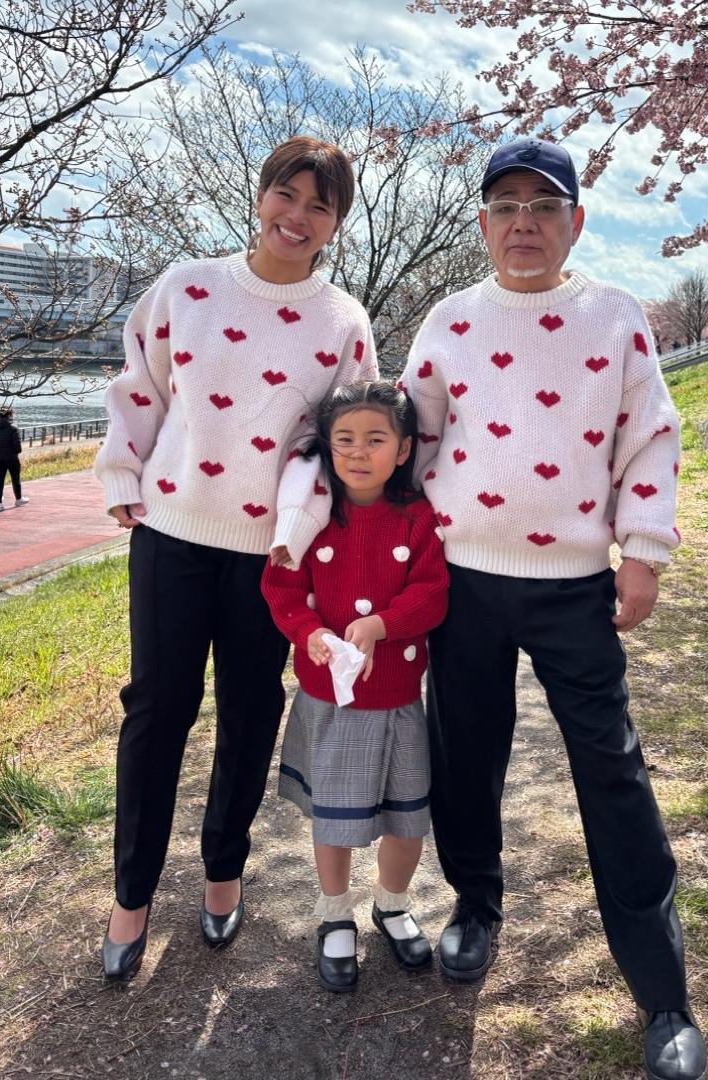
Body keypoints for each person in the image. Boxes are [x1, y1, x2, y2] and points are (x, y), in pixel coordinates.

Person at [400, 138, 707, 1080]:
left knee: (613, 772)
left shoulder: (614, 316)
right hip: (462, 581)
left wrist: (643, 551)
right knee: (465, 755)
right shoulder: (449, 320)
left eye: (544, 205)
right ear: (483, 222)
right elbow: (411, 442)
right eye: (506, 206)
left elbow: (649, 437)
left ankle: (662, 989)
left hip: (575, 585)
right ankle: (476, 903)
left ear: (575, 221)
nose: (523, 222)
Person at [93, 135, 378, 982]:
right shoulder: (188, 285)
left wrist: (326, 531)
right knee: (157, 710)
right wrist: (120, 470)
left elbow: (344, 438)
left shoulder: (344, 321)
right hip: (173, 532)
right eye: (287, 195)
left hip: (273, 554)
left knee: (250, 710)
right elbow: (140, 383)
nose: (298, 216)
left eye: (319, 206)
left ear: (335, 224)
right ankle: (132, 894)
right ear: (261, 196)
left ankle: (225, 869)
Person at [261, 380, 448, 992]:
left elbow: (432, 593)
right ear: (326, 446)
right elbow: (282, 588)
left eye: (375, 439)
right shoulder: (309, 518)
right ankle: (335, 912)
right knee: (333, 815)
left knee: (407, 818)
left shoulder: (418, 517)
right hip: (329, 697)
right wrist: (310, 632)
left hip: (397, 696)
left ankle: (392, 903)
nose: (358, 453)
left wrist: (379, 625)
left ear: (403, 449)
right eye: (344, 440)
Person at [0, 406, 28, 510]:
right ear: (9, 415)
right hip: (12, 458)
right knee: (15, 479)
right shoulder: (13, 428)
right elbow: (17, 445)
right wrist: (17, 451)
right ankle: (18, 499)